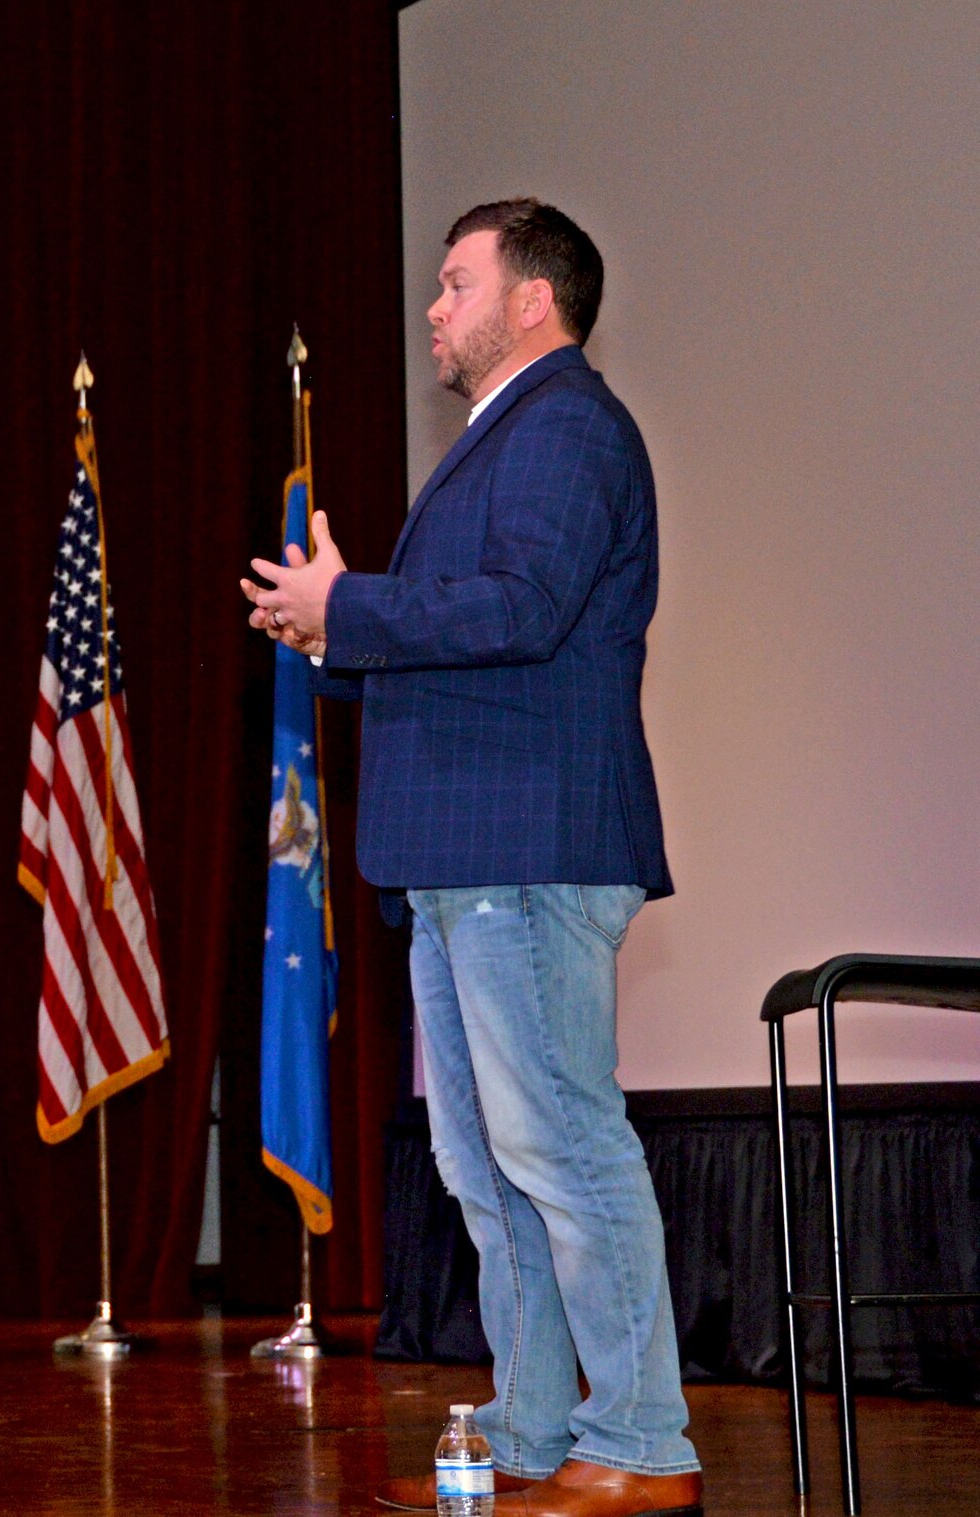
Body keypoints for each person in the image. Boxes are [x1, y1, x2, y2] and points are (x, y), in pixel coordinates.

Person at [241, 200, 703, 1517]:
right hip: (460, 852)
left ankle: (642, 1448)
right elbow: (465, 636)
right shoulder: (501, 440)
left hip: (528, 841)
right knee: (484, 1164)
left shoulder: (565, 426)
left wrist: (357, 606)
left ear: (534, 301)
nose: (434, 308)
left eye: (455, 284)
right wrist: (337, 632)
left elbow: (522, 610)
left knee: (557, 1145)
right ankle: (535, 1431)